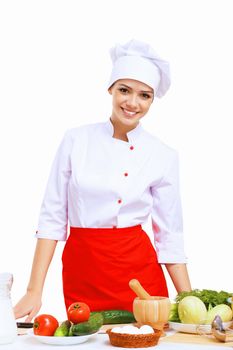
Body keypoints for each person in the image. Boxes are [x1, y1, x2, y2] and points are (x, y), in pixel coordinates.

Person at [14, 39, 191, 322]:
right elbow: (52, 218)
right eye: (124, 90)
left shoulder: (163, 155)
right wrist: (34, 290)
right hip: (84, 270)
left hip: (141, 280)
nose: (132, 103)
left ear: (152, 100)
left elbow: (170, 235)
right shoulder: (76, 140)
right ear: (110, 89)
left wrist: (189, 301)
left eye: (144, 95)